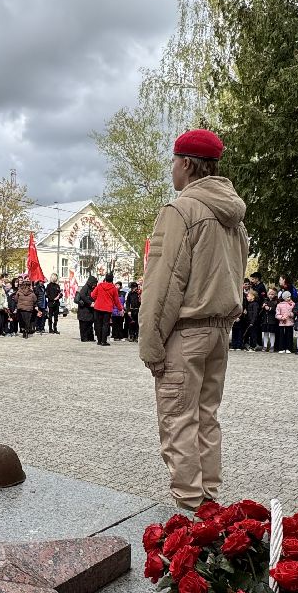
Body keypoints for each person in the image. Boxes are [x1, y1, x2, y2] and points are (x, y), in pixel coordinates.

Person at [138, 128, 249, 512]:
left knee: (179, 421)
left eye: (173, 162)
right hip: (219, 332)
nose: (172, 169)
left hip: (186, 334)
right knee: (206, 419)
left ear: (186, 163)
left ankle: (190, 513)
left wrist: (151, 344)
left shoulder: (181, 211)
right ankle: (210, 504)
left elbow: (164, 285)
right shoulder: (234, 218)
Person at [91, 271, 122, 346]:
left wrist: (97, 299)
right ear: (112, 280)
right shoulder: (113, 288)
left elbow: (92, 295)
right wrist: (120, 309)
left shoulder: (99, 285)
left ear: (105, 278)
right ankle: (103, 341)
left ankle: (99, 340)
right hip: (107, 308)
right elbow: (116, 300)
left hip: (98, 307)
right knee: (105, 324)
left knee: (98, 324)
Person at [76, 275, 97, 342]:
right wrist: (90, 303)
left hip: (89, 310)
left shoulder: (91, 288)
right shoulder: (85, 287)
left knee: (89, 325)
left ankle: (90, 337)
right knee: (83, 325)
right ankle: (84, 338)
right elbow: (82, 296)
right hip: (83, 310)